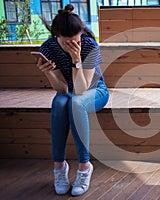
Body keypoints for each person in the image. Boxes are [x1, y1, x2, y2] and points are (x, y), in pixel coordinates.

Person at [37, 4, 109, 196]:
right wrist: (49, 73)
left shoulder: (89, 46)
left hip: (95, 89)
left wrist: (76, 59)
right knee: (60, 102)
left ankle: (85, 166)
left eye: (75, 40)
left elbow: (81, 89)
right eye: (66, 42)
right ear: (56, 37)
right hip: (69, 90)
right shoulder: (48, 47)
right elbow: (62, 89)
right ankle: (59, 167)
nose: (73, 45)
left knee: (76, 103)